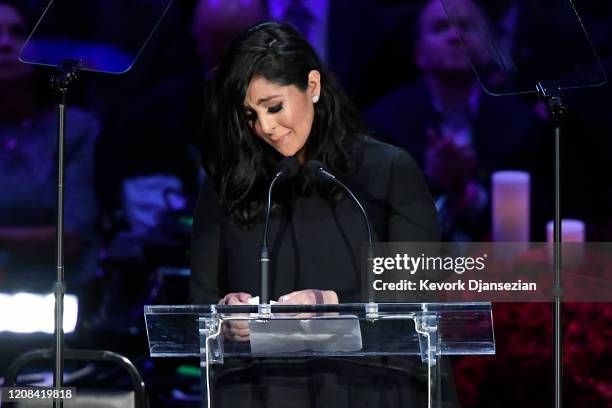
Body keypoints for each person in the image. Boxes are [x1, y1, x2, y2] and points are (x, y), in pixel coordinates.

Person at [190, 21, 456, 407]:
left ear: (312, 87)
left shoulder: (386, 171)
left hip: (373, 388)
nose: (265, 127)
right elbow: (199, 302)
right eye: (250, 115)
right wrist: (224, 317)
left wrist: (334, 300)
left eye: (274, 107)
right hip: (261, 391)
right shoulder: (228, 184)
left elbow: (418, 291)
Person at [365, 0, 546, 241]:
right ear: (418, 53)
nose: (455, 35)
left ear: (488, 46)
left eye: (467, 26)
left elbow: (536, 222)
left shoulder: (521, 125)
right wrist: (428, 180)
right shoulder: (384, 123)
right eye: (441, 27)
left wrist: (468, 195)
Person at [0, 0, 99, 291]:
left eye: (17, 32)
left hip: (56, 289)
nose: (4, 44)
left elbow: (74, 237)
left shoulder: (74, 127)